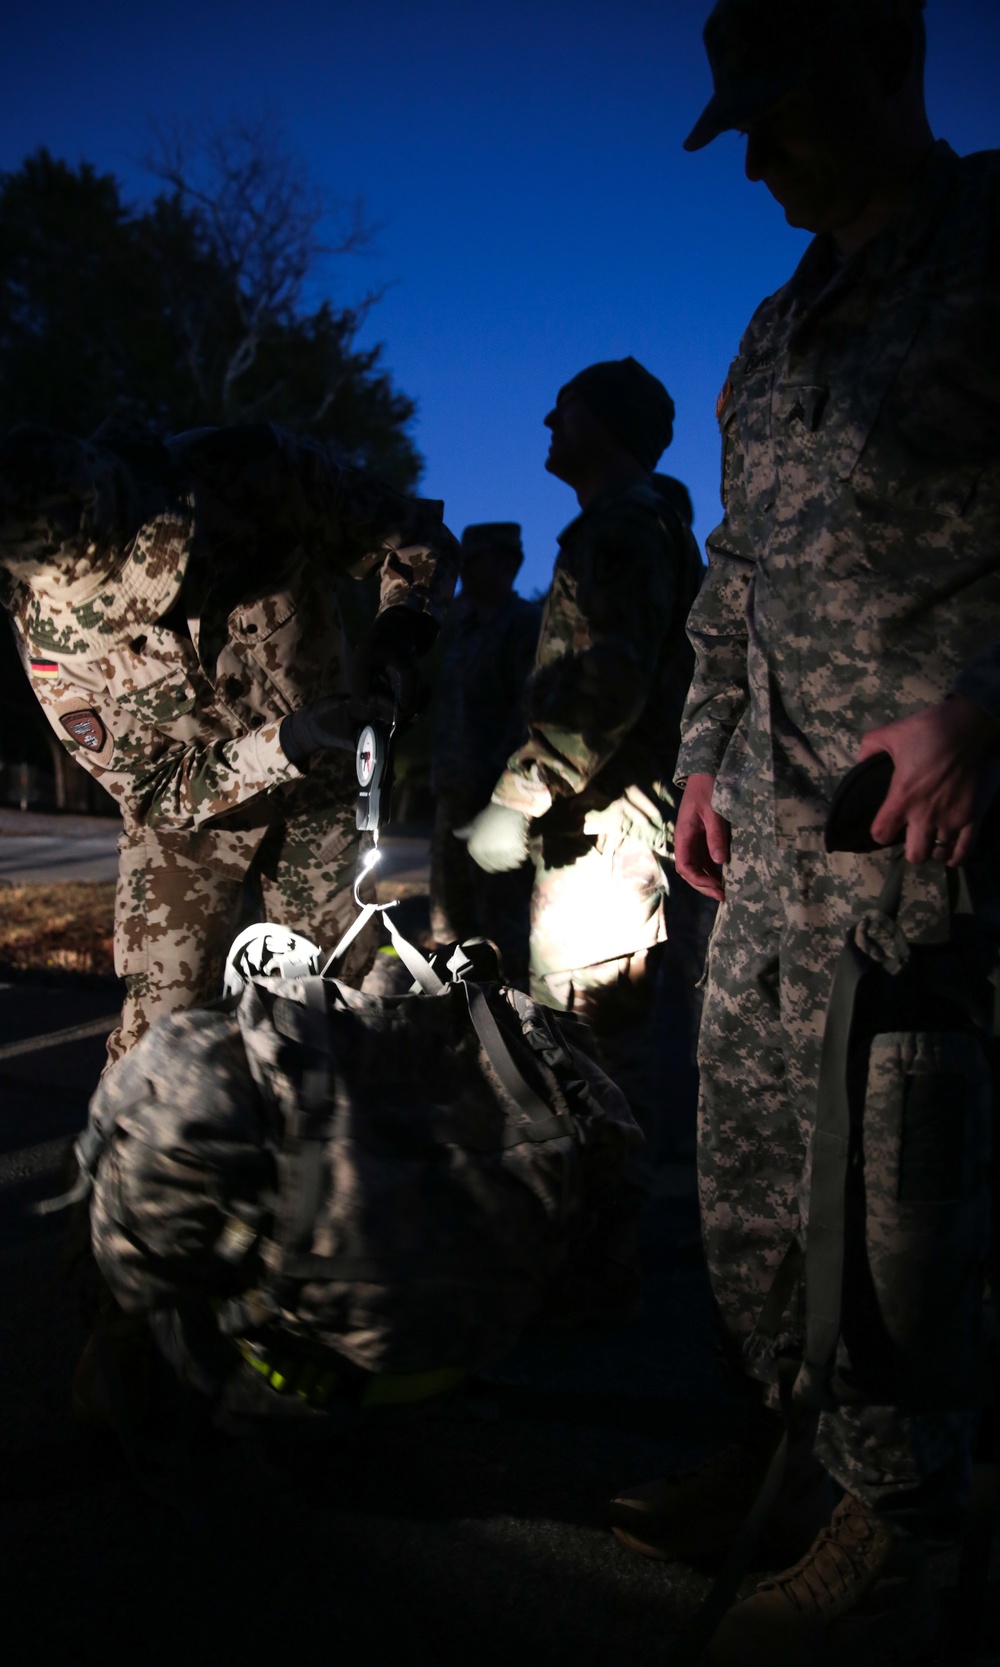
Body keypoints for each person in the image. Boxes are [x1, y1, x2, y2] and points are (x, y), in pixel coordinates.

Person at [610, 3, 1000, 1661]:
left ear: (884, 69)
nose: (756, 153)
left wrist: (989, 707)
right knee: (757, 1186)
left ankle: (902, 1525)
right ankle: (786, 1461)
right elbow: (733, 592)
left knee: (898, 1207)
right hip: (766, 852)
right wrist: (698, 760)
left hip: (928, 861)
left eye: (780, 111)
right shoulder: (774, 338)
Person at [0, 420, 457, 1064]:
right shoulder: (50, 645)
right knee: (156, 1048)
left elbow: (409, 537)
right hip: (186, 829)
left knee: (334, 1023)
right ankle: (147, 1163)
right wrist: (286, 739)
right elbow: (153, 791)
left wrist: (404, 626)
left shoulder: (254, 475)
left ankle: (317, 1156)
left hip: (322, 798)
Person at [461, 357, 705, 1311]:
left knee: (585, 1047)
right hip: (599, 824)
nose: (547, 421)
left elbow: (609, 679)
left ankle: (593, 1263)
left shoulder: (626, 527)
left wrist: (519, 795)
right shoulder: (628, 524)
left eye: (564, 408)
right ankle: (587, 1246)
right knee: (580, 1042)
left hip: (606, 831)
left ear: (603, 421)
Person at [429, 522, 541, 986]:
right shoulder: (460, 624)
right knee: (451, 920)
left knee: (504, 921)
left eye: (477, 562)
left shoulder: (524, 626)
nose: (468, 573)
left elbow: (529, 714)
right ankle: (457, 1010)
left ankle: (513, 1019)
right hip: (452, 790)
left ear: (508, 564)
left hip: (497, 799)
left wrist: (502, 791)